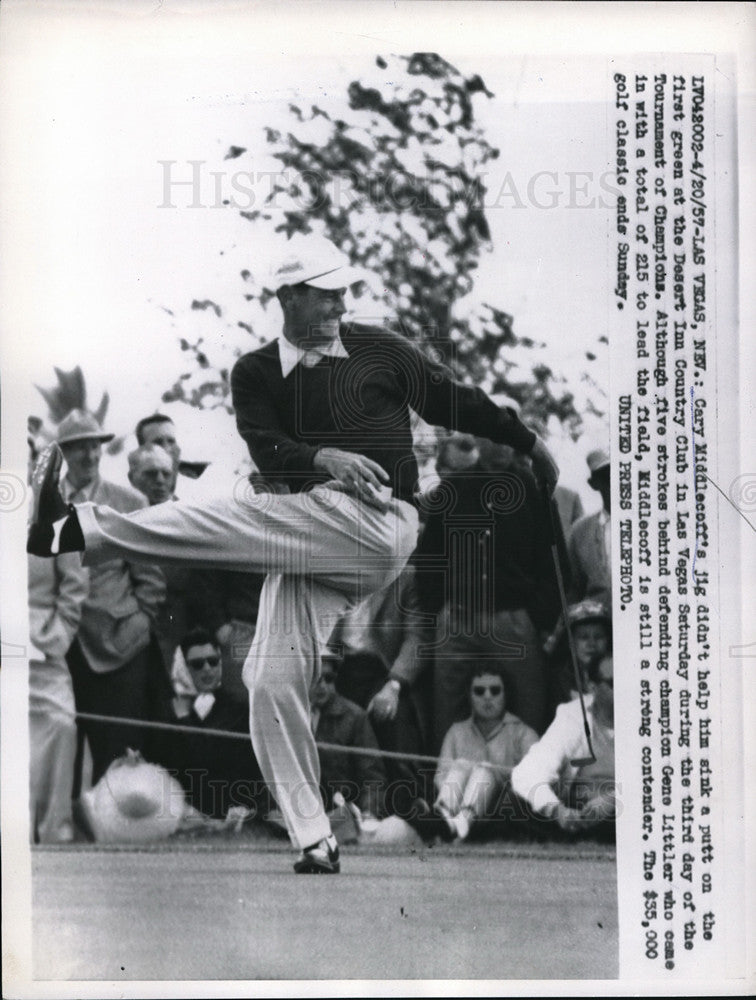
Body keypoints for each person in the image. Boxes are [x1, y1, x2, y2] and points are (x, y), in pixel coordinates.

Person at [28, 234, 559, 873]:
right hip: (314, 539)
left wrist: (525, 439)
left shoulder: (379, 348)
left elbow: (453, 398)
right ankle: (315, 837)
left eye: (342, 289)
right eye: (325, 291)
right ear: (288, 297)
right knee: (268, 681)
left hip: (381, 525)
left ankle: (78, 530)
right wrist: (319, 459)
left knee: (231, 512)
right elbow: (264, 447)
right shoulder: (254, 372)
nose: (340, 301)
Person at [416, 433, 562, 743]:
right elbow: (429, 557)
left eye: (505, 435)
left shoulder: (534, 490)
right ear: (478, 440)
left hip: (514, 621)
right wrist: (438, 610)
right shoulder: (453, 488)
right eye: (489, 432)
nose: (499, 442)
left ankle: (524, 788)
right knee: (448, 715)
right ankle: (449, 787)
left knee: (528, 714)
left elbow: (555, 564)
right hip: (458, 621)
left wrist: (536, 617)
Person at [54, 409, 166, 787]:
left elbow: (151, 577)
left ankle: (118, 835)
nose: (88, 456)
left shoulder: (128, 501)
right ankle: (65, 832)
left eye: (94, 446)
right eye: (78, 448)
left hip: (120, 644)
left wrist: (140, 623)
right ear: (62, 454)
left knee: (118, 752)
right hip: (60, 646)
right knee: (63, 746)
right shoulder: (44, 503)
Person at [411, 667, 538, 843]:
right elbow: (441, 777)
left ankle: (458, 824)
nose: (487, 697)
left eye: (495, 691)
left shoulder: (523, 733)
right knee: (462, 764)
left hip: (500, 812)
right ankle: (444, 818)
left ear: (505, 695)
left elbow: (534, 780)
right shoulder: (456, 731)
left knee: (483, 770)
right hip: (453, 804)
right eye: (479, 691)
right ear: (469, 696)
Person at [149, 627, 264, 820]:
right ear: (183, 668)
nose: (207, 669)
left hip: (224, 805)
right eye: (197, 664)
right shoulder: (167, 710)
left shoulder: (237, 710)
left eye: (213, 661)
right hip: (177, 807)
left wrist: (184, 719)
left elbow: (205, 758)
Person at [511, 654, 615, 835]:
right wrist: (557, 811)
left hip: (633, 816)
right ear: (593, 686)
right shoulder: (572, 715)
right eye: (613, 683)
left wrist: (613, 800)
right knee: (515, 799)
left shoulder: (654, 712)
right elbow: (527, 773)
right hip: (578, 816)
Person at [309, 653, 387, 821]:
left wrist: (369, 814)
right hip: (293, 813)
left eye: (329, 678)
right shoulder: (287, 714)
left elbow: (372, 777)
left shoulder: (355, 717)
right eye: (315, 678)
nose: (322, 685)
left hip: (339, 814)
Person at [545, 599, 612, 710]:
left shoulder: (617, 675)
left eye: (599, 637)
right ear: (570, 643)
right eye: (584, 637)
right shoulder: (558, 681)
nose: (592, 644)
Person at [567, 448, 611, 608]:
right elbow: (572, 589)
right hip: (598, 627)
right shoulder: (580, 531)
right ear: (594, 484)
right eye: (608, 477)